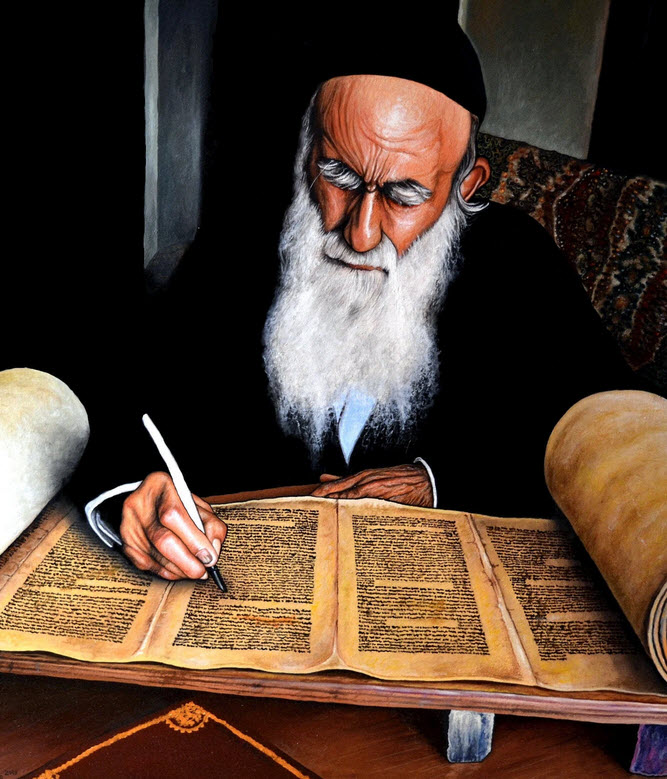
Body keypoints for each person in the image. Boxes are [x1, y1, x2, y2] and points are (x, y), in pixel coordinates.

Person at [83, 25, 634, 584]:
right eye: (339, 175)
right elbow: (122, 394)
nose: (362, 232)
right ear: (307, 156)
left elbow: (614, 432)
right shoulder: (240, 240)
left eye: (403, 194)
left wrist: (440, 482)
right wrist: (135, 495)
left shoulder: (517, 260)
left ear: (467, 185)